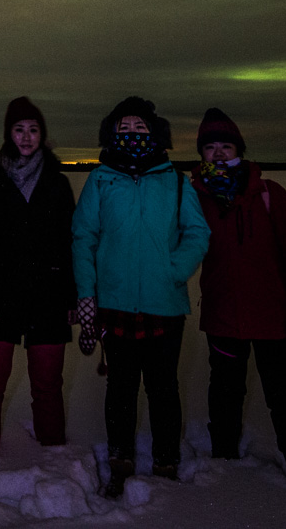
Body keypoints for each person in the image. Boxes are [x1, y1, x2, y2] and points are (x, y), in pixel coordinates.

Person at [72, 96, 210, 497]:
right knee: (120, 389)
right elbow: (84, 237)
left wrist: (174, 269)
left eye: (139, 128)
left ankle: (166, 460)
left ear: (155, 133)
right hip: (115, 304)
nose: (132, 135)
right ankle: (120, 459)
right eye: (124, 129)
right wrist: (87, 294)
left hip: (164, 305)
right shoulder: (101, 180)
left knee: (164, 388)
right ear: (112, 134)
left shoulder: (176, 182)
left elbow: (197, 233)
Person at [190, 106, 286, 485]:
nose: (217, 153)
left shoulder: (269, 194)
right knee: (226, 390)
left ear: (239, 150)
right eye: (209, 147)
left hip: (273, 318)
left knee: (284, 393)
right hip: (223, 315)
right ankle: (225, 458)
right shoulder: (195, 197)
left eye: (225, 146)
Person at [0, 96, 77, 462]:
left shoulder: (58, 183)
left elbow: (69, 242)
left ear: (42, 135)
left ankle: (53, 448)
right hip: (1, 295)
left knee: (48, 382)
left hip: (49, 295)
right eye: (19, 129)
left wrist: (72, 296)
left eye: (33, 129)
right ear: (7, 134)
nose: (26, 137)